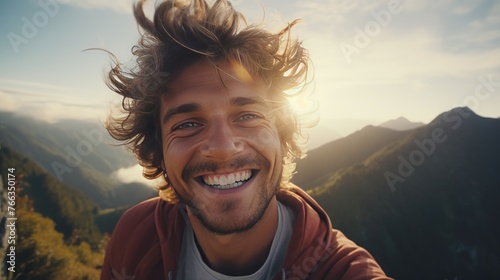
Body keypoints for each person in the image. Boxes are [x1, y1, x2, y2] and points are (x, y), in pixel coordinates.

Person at [101, 0, 391, 279]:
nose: (223, 148)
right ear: (159, 152)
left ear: (282, 135)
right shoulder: (134, 237)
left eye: (248, 116)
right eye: (188, 124)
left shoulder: (343, 270)